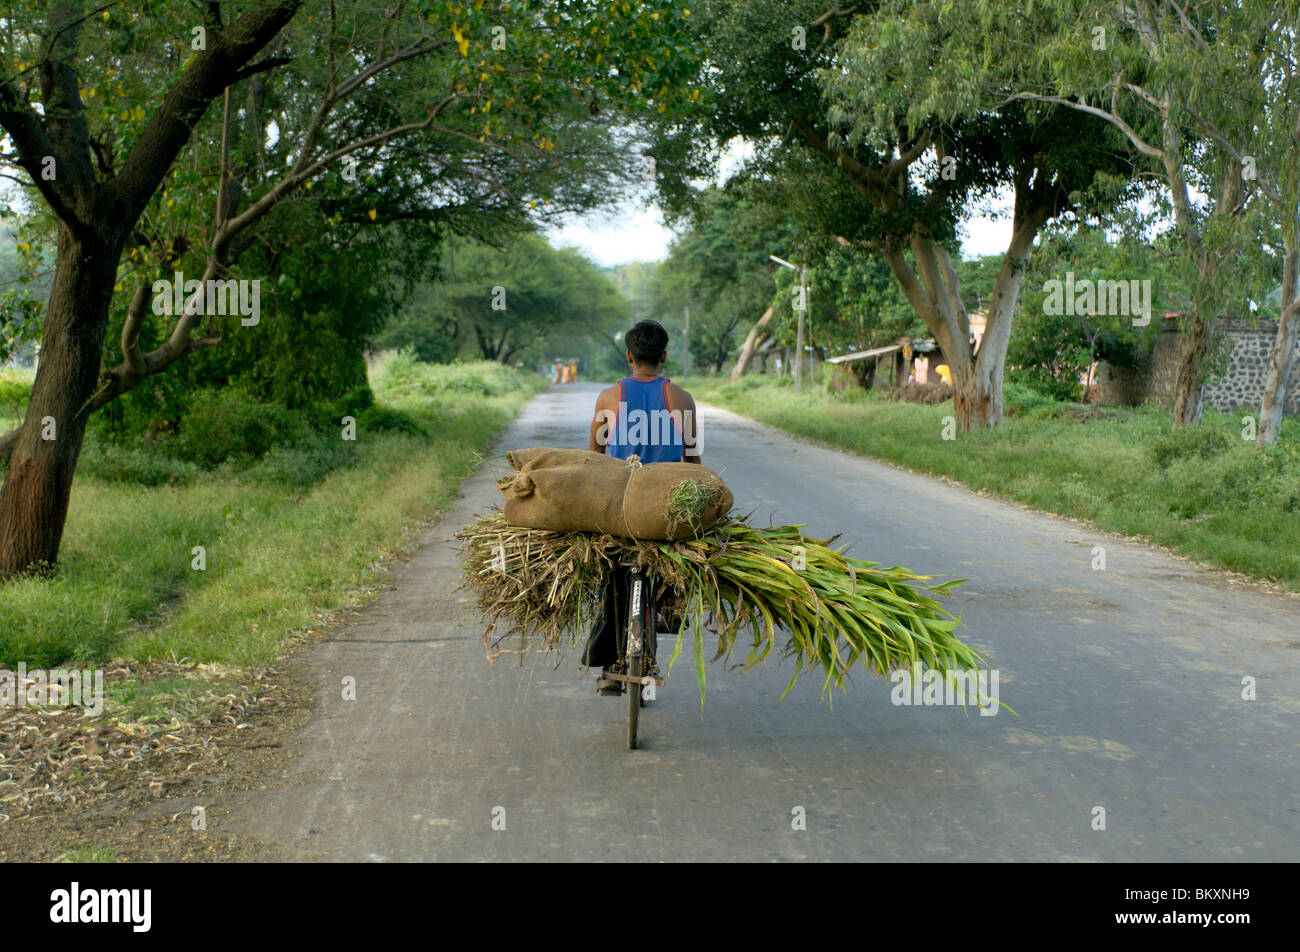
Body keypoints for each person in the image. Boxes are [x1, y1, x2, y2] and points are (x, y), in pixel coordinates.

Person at [582, 320, 701, 695]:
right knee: (679, 562)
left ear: (629, 356)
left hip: (620, 513)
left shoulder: (608, 398)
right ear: (664, 357)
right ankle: (669, 608)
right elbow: (693, 462)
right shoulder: (681, 399)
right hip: (665, 513)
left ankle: (608, 655)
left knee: (608, 570)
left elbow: (595, 458)